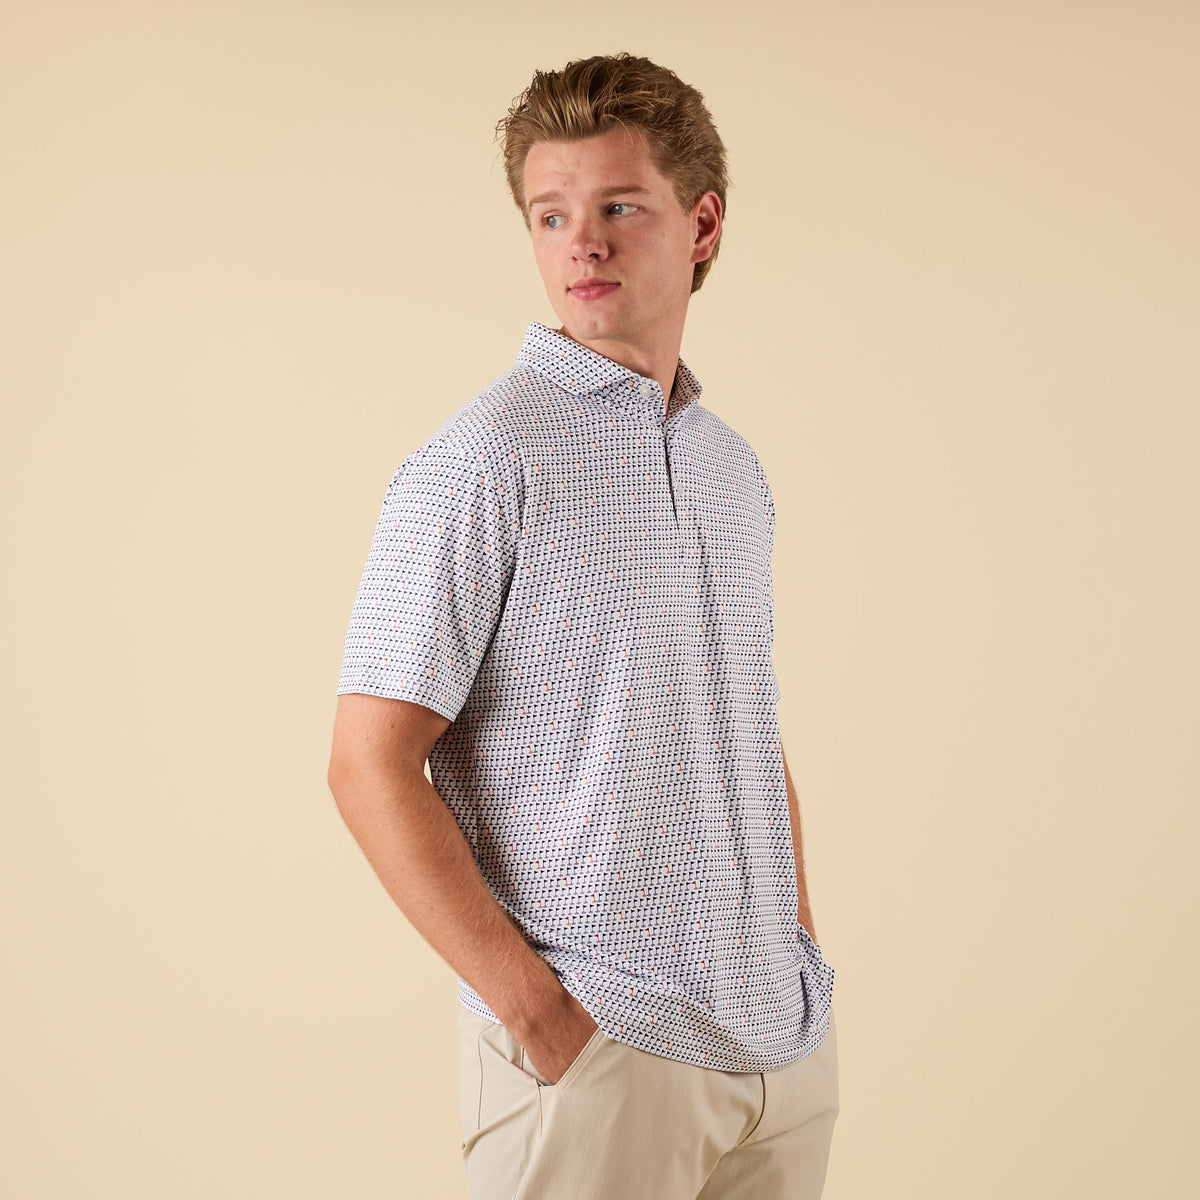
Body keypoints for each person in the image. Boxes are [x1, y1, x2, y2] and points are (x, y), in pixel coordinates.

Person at [327, 52, 838, 1200]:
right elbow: (368, 763)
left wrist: (799, 956)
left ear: (701, 224)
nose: (582, 243)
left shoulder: (730, 471)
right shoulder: (482, 461)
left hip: (780, 1050)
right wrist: (540, 1017)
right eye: (552, 215)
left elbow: (747, 730)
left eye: (618, 206)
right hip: (604, 1051)